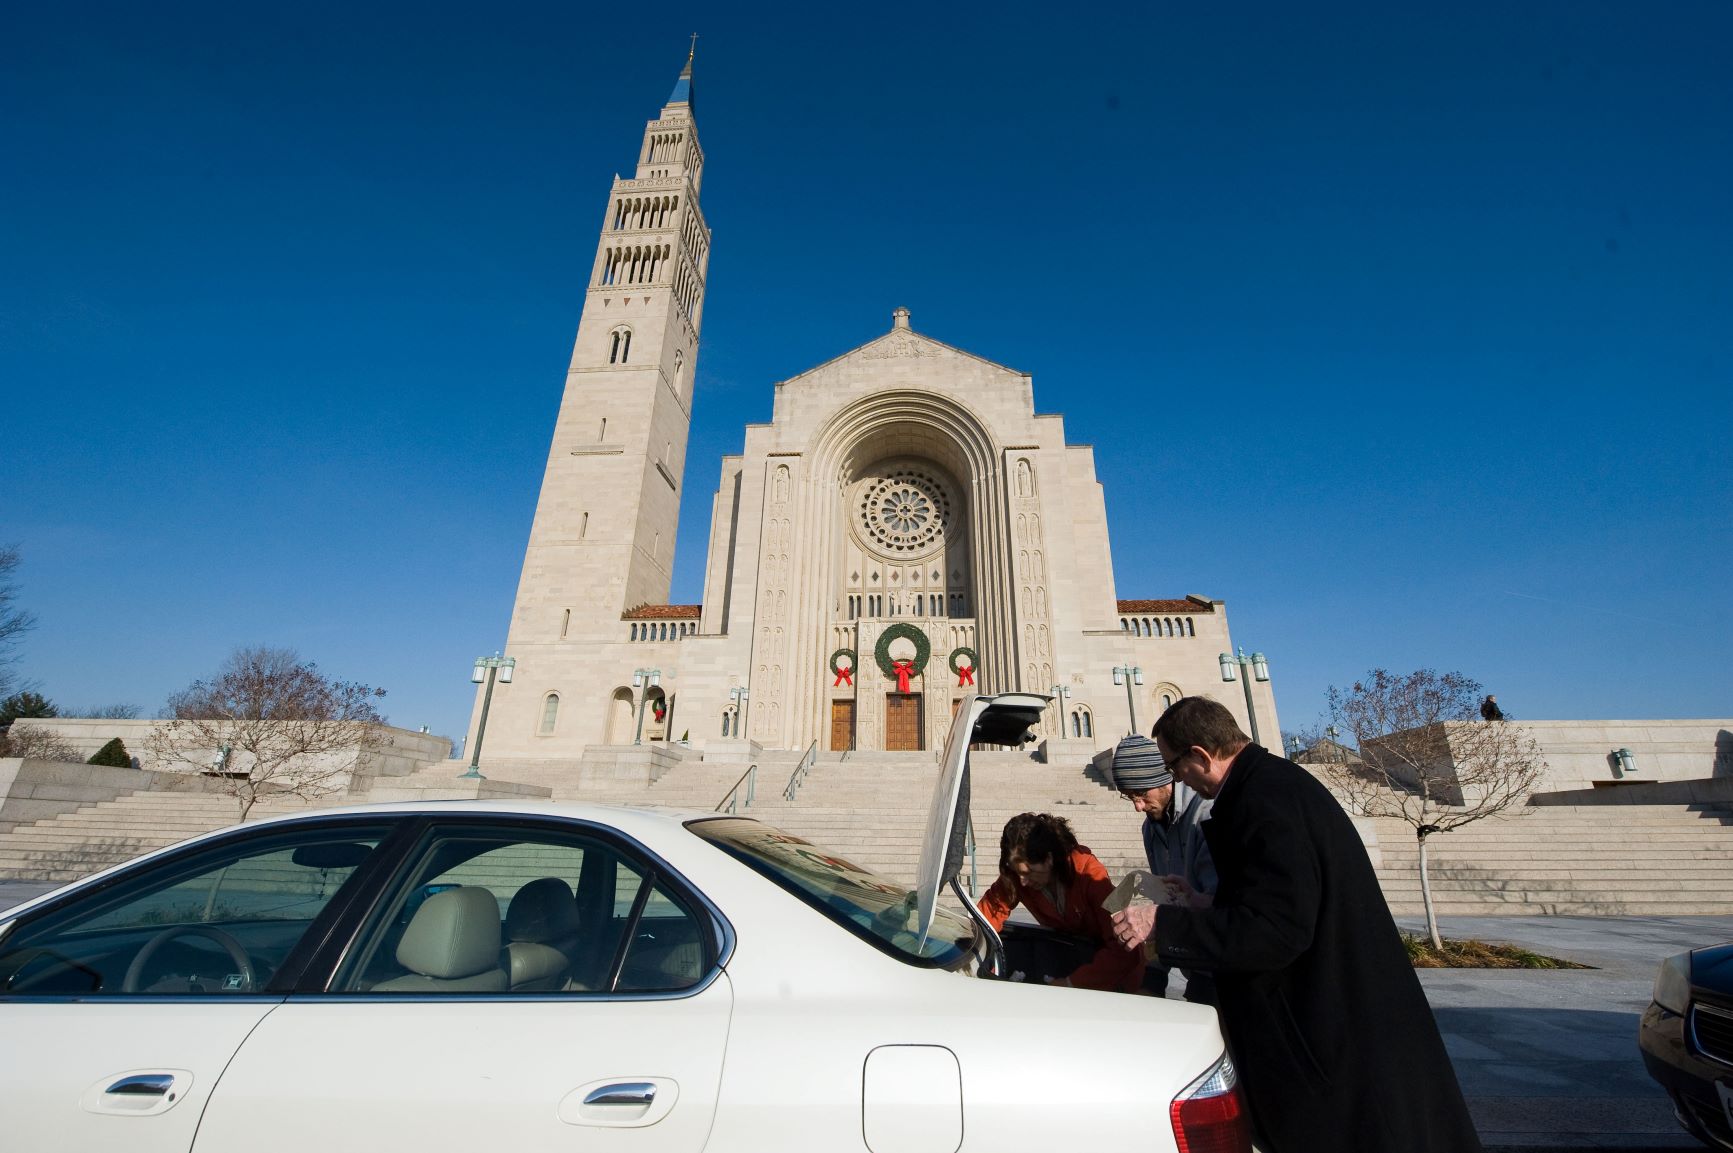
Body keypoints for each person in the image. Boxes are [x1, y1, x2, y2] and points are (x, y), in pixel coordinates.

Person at [1110, 697, 1482, 1153]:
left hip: (1328, 1031)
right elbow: (1280, 900)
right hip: (1332, 1018)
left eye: (1175, 767)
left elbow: (1273, 932)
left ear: (1201, 756)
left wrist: (1163, 923)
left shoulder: (1264, 802)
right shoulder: (1267, 787)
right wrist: (1206, 902)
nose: (1177, 779)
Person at [977, 812, 1143, 993]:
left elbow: (1124, 946)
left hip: (1114, 977)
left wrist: (1072, 983)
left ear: (1048, 859)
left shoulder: (1090, 874)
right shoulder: (1019, 876)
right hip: (1069, 964)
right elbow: (986, 917)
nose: (1022, 882)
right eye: (1018, 873)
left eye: (1029, 872)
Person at [1110, 733, 1217, 1003]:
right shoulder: (1151, 828)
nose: (1138, 806)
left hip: (1225, 967)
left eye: (1142, 794)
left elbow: (1219, 905)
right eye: (1129, 797)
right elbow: (1166, 897)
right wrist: (1154, 977)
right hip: (1196, 964)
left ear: (1164, 779)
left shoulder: (1206, 814)